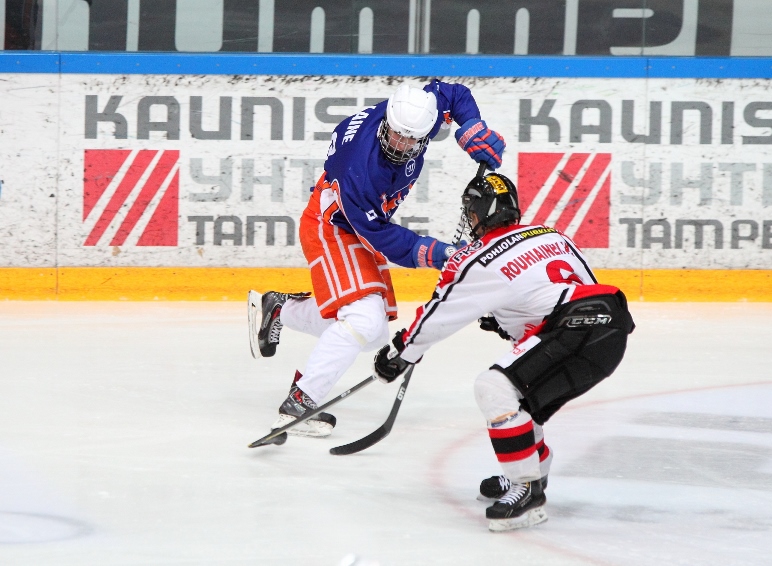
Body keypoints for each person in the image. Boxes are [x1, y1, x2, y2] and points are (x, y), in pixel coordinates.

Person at [371, 172, 635, 532]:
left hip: (577, 326)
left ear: (481, 211)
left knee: (494, 388)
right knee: (522, 402)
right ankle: (529, 474)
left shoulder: (476, 258)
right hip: (610, 323)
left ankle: (527, 493)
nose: (471, 220)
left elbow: (439, 314)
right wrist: (517, 323)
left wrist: (404, 352)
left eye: (471, 211)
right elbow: (580, 286)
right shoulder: (549, 233)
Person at [248, 81, 506, 441]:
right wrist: (440, 253)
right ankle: (300, 401)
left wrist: (472, 127)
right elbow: (379, 235)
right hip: (333, 223)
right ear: (387, 123)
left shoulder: (415, 114)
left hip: (359, 223)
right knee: (363, 321)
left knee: (372, 335)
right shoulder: (359, 167)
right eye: (396, 137)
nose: (402, 146)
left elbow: (454, 94)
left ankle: (281, 309)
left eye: (410, 142)